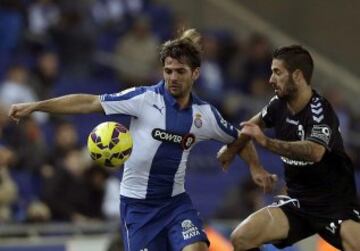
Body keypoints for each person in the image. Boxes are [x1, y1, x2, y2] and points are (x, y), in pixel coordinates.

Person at [8, 29, 276, 251]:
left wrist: (255, 167)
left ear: (195, 74)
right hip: (138, 208)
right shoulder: (144, 99)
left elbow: (240, 138)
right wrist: (37, 105)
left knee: (197, 249)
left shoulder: (205, 115)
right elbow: (89, 102)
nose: (172, 77)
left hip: (175, 204)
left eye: (179, 71)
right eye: (167, 70)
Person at [218, 45, 360, 251]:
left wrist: (266, 142)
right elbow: (248, 129)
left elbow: (315, 151)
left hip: (335, 207)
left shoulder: (320, 110)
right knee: (242, 237)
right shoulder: (277, 105)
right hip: (298, 204)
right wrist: (251, 165)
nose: (270, 79)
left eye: (277, 72)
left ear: (297, 76)